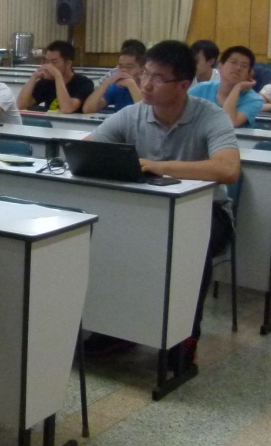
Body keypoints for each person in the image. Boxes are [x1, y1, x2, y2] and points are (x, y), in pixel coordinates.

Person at [87, 40, 240, 370]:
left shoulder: (210, 116)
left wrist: (158, 166)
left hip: (209, 213)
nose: (145, 84)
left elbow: (228, 169)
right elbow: (88, 149)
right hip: (148, 210)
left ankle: (186, 336)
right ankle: (117, 328)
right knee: (106, 235)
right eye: (144, 74)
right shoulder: (132, 114)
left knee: (191, 242)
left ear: (184, 85)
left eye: (158, 78)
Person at [188, 45, 264, 127]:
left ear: (248, 73)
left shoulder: (254, 100)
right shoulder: (201, 89)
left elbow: (229, 123)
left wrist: (237, 88)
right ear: (220, 67)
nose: (238, 68)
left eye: (244, 66)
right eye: (233, 62)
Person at [16, 40, 94, 114]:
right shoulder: (45, 82)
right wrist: (34, 77)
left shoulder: (84, 83)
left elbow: (67, 109)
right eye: (47, 61)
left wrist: (58, 76)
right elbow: (21, 106)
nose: (49, 66)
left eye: (54, 62)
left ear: (68, 64)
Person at [82, 39, 146, 114]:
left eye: (129, 67)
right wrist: (107, 83)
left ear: (142, 68)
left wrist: (131, 85)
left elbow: (145, 113)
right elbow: (87, 109)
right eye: (120, 66)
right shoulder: (117, 88)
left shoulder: (149, 87)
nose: (124, 70)